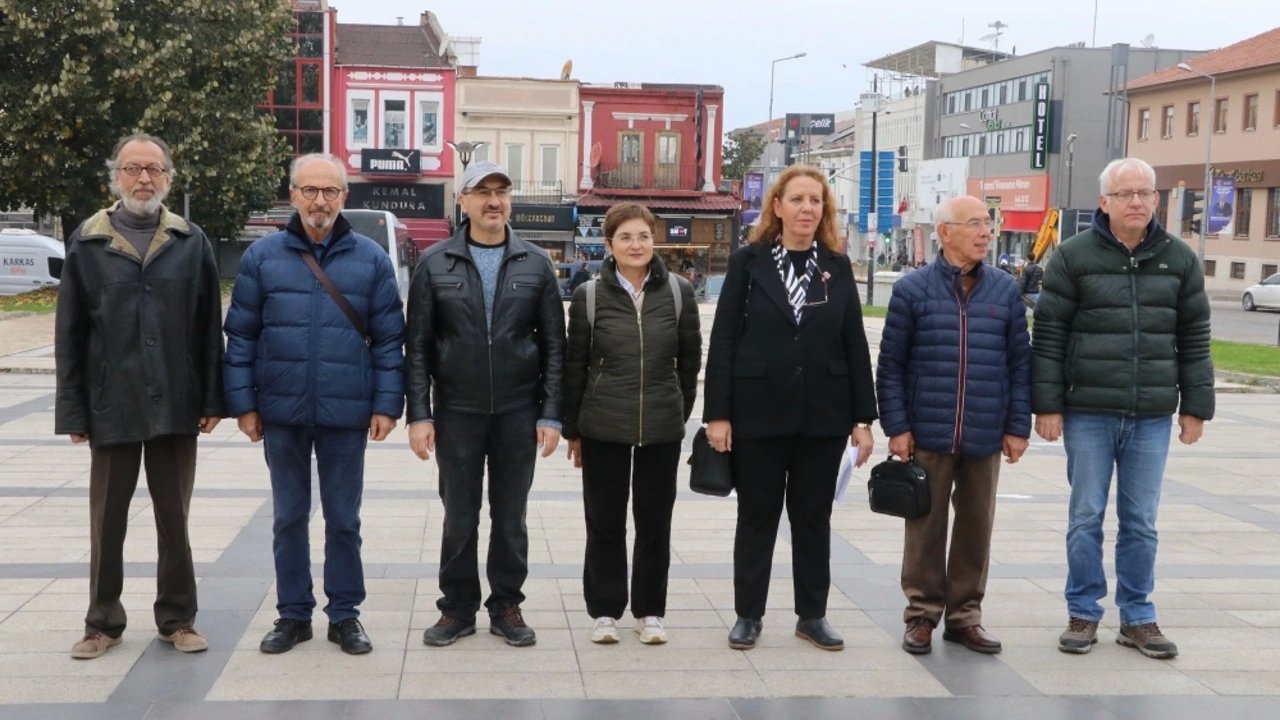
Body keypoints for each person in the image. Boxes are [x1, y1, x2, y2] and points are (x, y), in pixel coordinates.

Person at [223, 153, 405, 656]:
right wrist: (243, 404)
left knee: (344, 519)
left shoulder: (371, 259)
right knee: (288, 517)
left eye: (330, 191)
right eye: (309, 190)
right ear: (293, 194)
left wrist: (387, 404)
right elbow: (241, 336)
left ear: (345, 197)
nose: (319, 201)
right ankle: (293, 614)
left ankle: (345, 615)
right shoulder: (263, 257)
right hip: (280, 411)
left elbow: (391, 340)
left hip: (347, 414)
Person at [1032, 157, 1213, 659]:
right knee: (1085, 515)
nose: (1137, 201)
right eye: (1126, 193)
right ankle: (1084, 612)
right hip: (1088, 410)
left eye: (1145, 192)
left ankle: (1138, 617)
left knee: (1141, 521)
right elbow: (1048, 336)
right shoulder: (1071, 256)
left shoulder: (1180, 258)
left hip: (1151, 413)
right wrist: (1046, 405)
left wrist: (1195, 406)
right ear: (1104, 202)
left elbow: (1195, 337)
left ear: (1158, 200)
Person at [55, 133, 225, 659]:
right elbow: (70, 334)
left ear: (169, 179)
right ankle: (101, 622)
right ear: (116, 177)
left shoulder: (190, 241)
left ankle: (177, 617)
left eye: (154, 169)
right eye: (133, 169)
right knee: (107, 519)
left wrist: (213, 399)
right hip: (113, 403)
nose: (144, 179)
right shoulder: (88, 242)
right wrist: (73, 410)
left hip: (176, 402)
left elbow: (206, 327)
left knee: (174, 517)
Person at [703, 164, 876, 652]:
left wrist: (863, 419)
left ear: (825, 210)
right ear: (776, 207)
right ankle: (748, 615)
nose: (807, 209)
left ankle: (812, 614)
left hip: (823, 415)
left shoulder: (836, 265)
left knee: (812, 518)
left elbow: (854, 344)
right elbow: (723, 342)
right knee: (757, 517)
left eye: (815, 201)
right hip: (758, 413)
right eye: (797, 199)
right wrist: (718, 413)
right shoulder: (748, 262)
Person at [405, 161, 565, 648]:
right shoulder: (435, 263)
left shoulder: (535, 262)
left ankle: (506, 604)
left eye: (502, 191)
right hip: (458, 411)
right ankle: (456, 608)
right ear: (464, 201)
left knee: (511, 514)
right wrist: (420, 415)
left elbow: (555, 345)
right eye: (482, 192)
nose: (493, 201)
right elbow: (418, 348)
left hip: (519, 410)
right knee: (459, 514)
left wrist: (551, 412)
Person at [876, 195, 1032, 656]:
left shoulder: (1004, 290)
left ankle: (965, 616)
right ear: (944, 232)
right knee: (924, 524)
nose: (986, 233)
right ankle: (922, 614)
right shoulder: (912, 290)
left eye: (989, 224)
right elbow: (891, 367)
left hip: (985, 430)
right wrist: (898, 426)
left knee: (976, 525)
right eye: (975, 225)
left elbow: (1020, 365)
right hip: (928, 429)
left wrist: (1017, 425)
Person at [563, 203, 701, 645]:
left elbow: (690, 361)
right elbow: (575, 366)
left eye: (643, 236)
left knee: (655, 522)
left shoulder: (679, 292)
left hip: (661, 425)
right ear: (609, 245)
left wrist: (677, 413)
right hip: (603, 424)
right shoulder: (588, 295)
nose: (636, 245)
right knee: (604, 521)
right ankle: (605, 611)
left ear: (654, 240)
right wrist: (574, 429)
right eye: (625, 237)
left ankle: (650, 612)